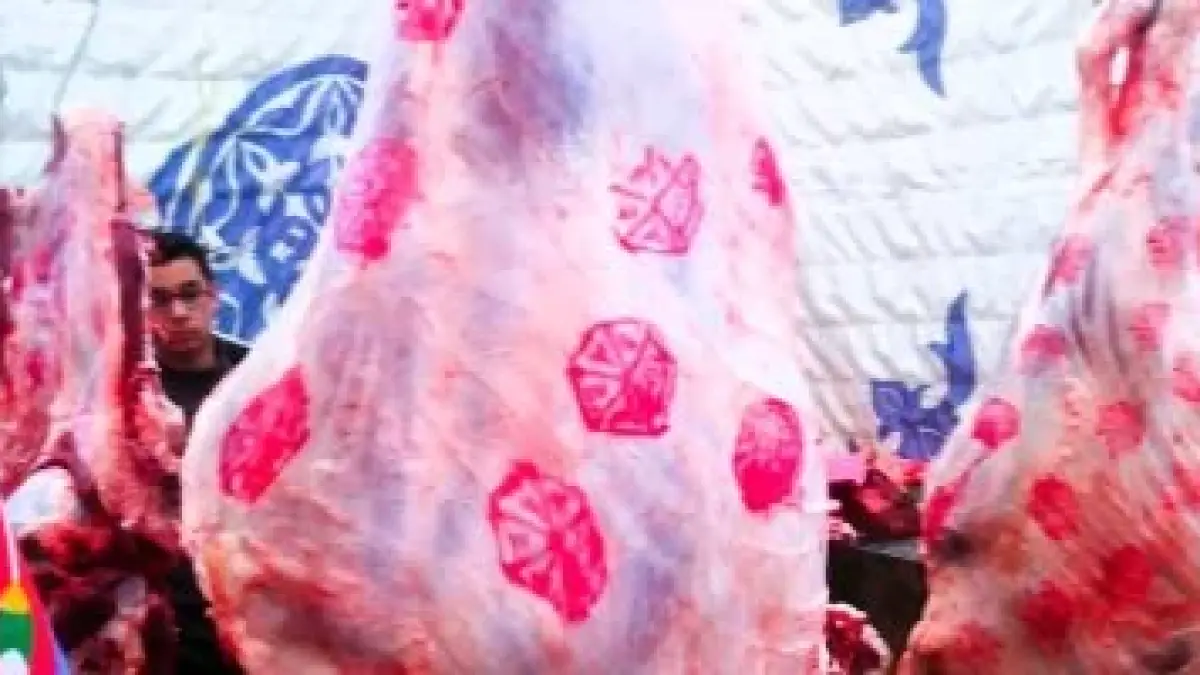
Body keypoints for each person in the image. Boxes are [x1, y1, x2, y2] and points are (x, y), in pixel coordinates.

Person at [146, 231, 246, 675]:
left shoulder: (255, 375)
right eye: (159, 300)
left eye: (190, 294)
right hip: (172, 624)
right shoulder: (133, 393)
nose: (179, 314)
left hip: (254, 605)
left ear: (213, 295)